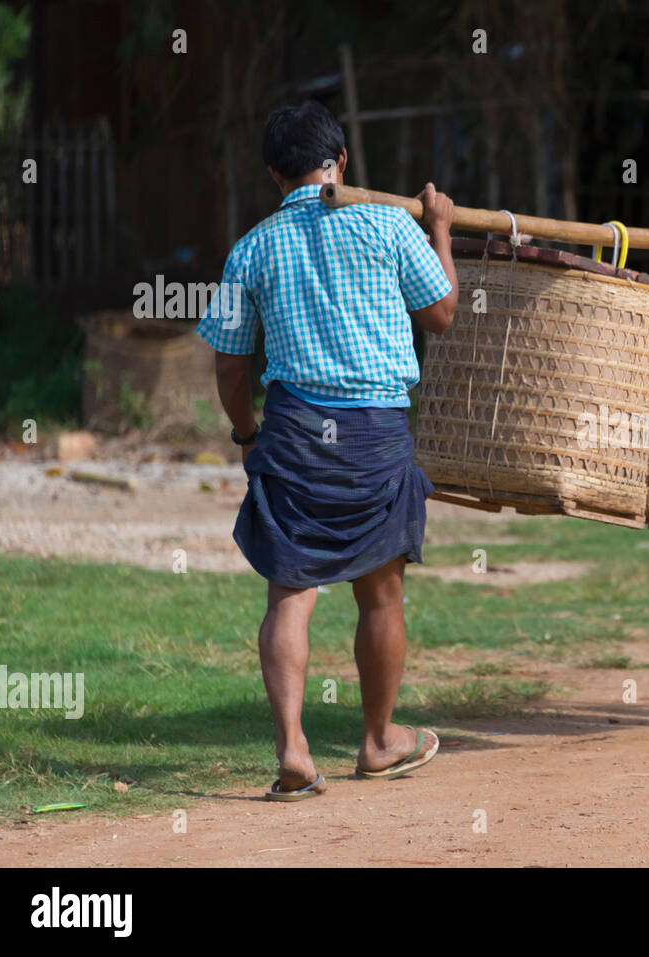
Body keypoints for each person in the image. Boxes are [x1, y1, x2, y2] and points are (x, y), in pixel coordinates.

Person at [196, 100, 459, 795]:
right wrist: (441, 230)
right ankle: (377, 740)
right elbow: (443, 312)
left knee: (291, 591)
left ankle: (293, 748)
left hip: (293, 433)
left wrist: (247, 435)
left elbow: (228, 363)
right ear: (340, 161)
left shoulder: (248, 249)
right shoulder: (387, 225)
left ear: (273, 174)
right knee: (381, 594)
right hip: (374, 435)